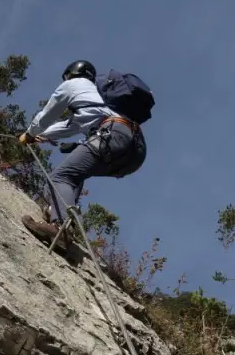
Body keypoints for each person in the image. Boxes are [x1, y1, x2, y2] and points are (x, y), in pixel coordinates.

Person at [18, 59, 147, 248]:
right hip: (135, 151)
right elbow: (68, 126)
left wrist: (29, 134)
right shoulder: (100, 98)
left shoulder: (72, 85)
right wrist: (42, 137)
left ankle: (60, 225)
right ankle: (58, 211)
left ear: (72, 73)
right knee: (75, 176)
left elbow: (47, 115)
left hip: (113, 135)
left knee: (60, 177)